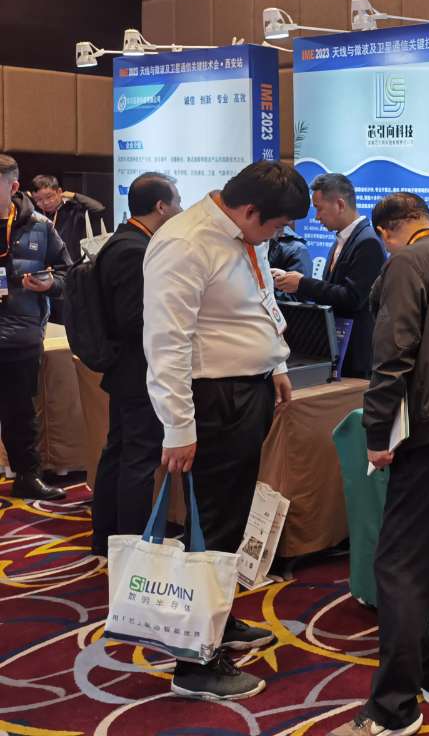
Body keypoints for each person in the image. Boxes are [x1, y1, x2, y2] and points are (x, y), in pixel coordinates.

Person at [144, 160, 310, 700]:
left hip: (247, 390)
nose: (278, 236)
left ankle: (217, 618)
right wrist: (177, 426)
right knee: (211, 525)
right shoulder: (186, 243)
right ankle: (195, 662)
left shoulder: (243, 236)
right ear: (250, 210)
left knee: (231, 519)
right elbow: (166, 342)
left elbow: (259, 303)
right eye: (276, 226)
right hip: (212, 400)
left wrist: (276, 362)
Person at [329, 193, 429, 736]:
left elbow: (393, 354)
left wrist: (377, 432)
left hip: (428, 433)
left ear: (386, 232)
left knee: (400, 566)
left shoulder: (406, 264)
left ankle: (394, 707)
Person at [89, 173, 183, 558]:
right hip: (138, 371)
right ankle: (130, 547)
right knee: (138, 459)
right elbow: (133, 319)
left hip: (127, 370)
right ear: (161, 207)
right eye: (177, 202)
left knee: (120, 452)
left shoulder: (125, 241)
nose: (181, 209)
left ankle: (107, 538)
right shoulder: (135, 249)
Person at [0, 154, 72, 500]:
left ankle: (27, 476)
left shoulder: (40, 227)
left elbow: (69, 275)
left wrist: (50, 284)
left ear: (13, 186)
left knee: (20, 412)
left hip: (20, 336)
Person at [274, 173, 385, 378]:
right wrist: (292, 279)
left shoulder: (367, 243)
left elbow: (353, 298)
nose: (317, 217)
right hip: (339, 347)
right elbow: (333, 289)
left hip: (356, 355)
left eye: (319, 208)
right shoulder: (341, 240)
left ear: (340, 204)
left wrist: (302, 283)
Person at [30, 174, 108, 264]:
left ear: (59, 192)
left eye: (49, 197)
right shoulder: (36, 215)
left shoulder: (73, 209)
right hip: (50, 266)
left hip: (75, 264)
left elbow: (99, 209)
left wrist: (74, 195)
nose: (45, 202)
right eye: (38, 200)